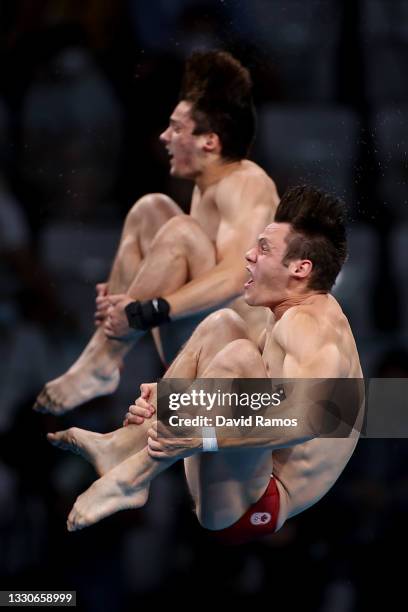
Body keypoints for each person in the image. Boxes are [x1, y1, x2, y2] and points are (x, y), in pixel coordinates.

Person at [48, 185, 364, 542]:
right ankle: (125, 445)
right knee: (222, 325)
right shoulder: (284, 314)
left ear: (300, 268)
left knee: (238, 355)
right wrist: (172, 399)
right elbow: (250, 394)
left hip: (261, 501)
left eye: (263, 249)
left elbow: (312, 418)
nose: (248, 255)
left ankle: (134, 476)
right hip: (242, 467)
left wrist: (205, 435)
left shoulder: (312, 325)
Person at [33, 50, 279, 415]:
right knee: (151, 210)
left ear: (208, 142)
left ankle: (102, 360)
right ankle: (104, 358)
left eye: (176, 129)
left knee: (179, 229)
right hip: (197, 341)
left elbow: (237, 275)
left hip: (237, 358)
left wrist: (149, 308)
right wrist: (128, 289)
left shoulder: (246, 183)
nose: (164, 137)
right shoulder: (204, 190)